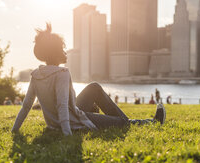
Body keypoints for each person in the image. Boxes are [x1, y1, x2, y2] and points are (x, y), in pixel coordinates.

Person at [12, 24, 166, 136]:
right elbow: (62, 106)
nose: (65, 51)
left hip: (57, 121)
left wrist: (15, 130)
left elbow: (26, 106)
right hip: (72, 122)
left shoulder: (36, 75)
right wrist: (67, 133)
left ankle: (100, 114)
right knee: (122, 123)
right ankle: (152, 122)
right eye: (62, 48)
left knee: (94, 87)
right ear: (57, 51)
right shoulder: (62, 73)